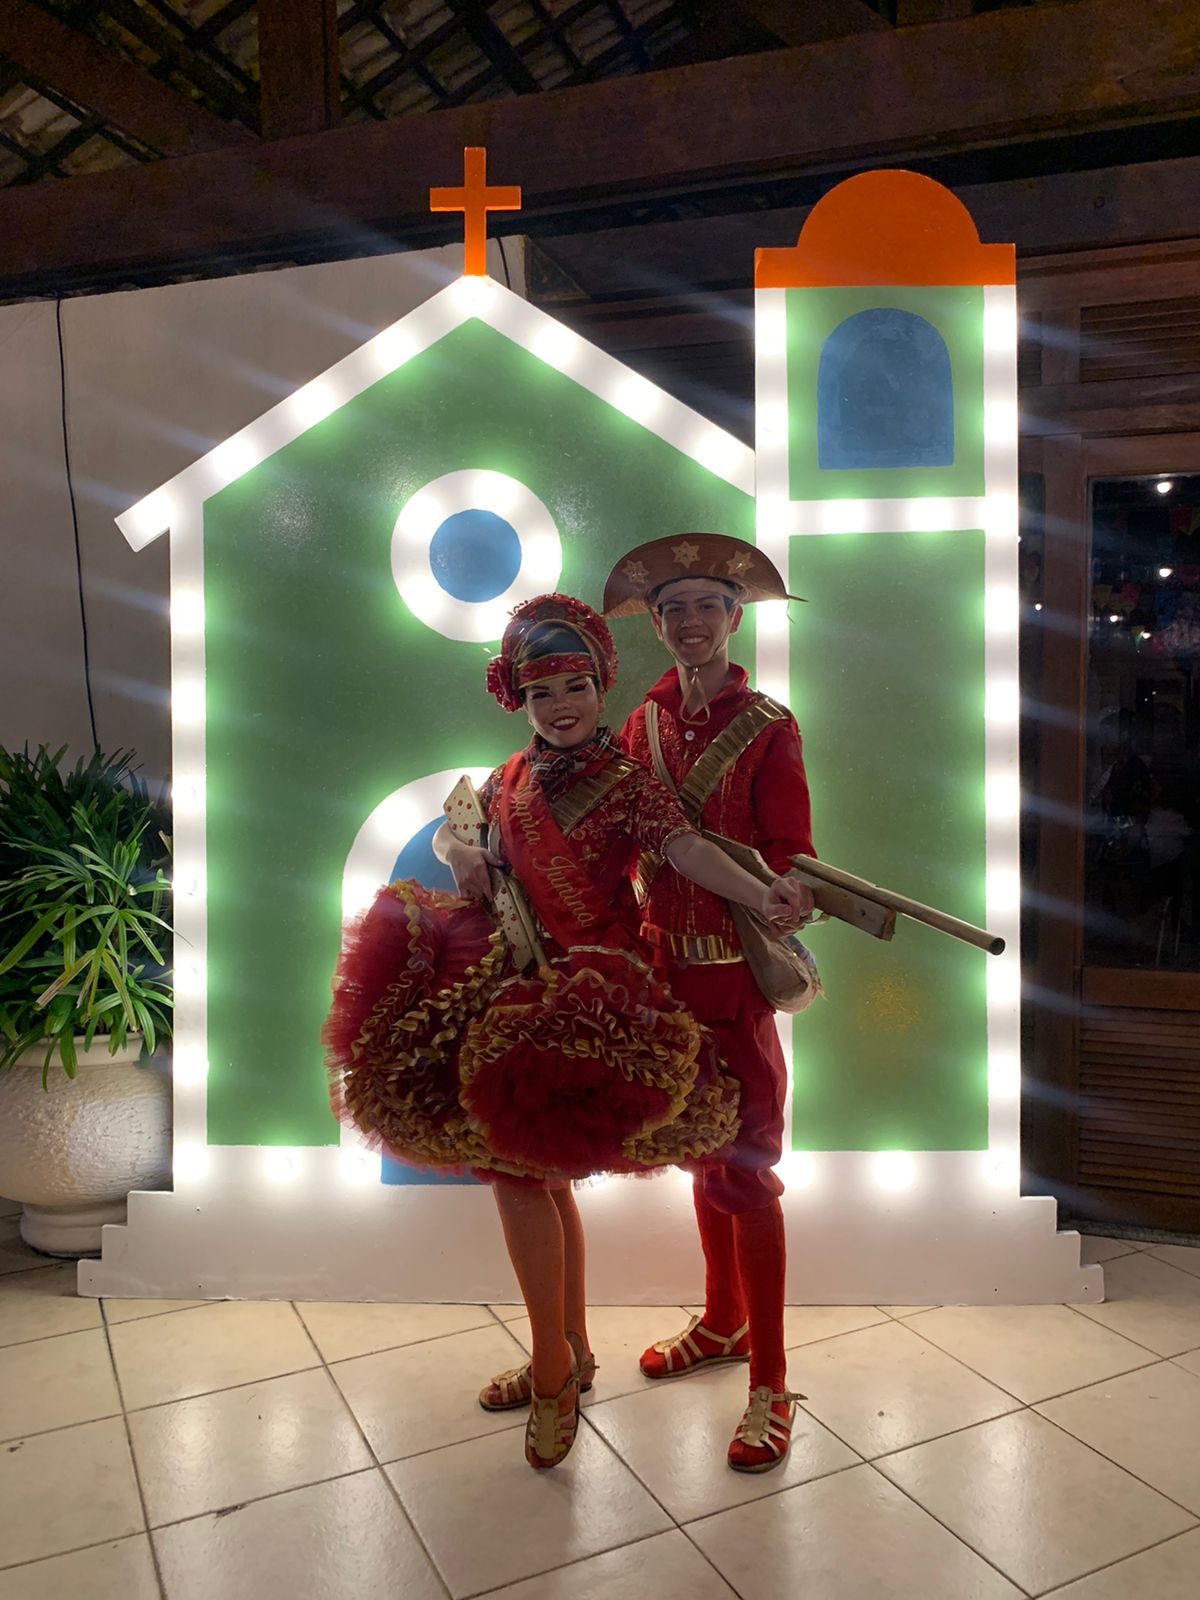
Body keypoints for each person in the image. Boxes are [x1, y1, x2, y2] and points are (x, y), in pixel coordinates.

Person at [323, 592, 808, 1470]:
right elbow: (459, 830)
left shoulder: (628, 781)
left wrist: (761, 891)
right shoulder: (509, 776)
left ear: (600, 686)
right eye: (542, 693)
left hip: (592, 1004)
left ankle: (560, 1368)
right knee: (523, 1174)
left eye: (576, 687)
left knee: (540, 1172)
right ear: (520, 700)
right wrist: (463, 855)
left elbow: (689, 850)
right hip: (513, 987)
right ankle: (566, 1353)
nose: (561, 707)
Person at [604, 534, 816, 1475]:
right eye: (674, 609)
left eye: (707, 606)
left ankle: (770, 1378)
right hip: (663, 975)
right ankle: (724, 1319)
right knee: (700, 1151)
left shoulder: (769, 725)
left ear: (734, 618)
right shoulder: (638, 725)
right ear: (656, 624)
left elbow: (792, 847)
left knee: (748, 1170)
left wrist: (792, 887)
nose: (690, 622)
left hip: (736, 979)